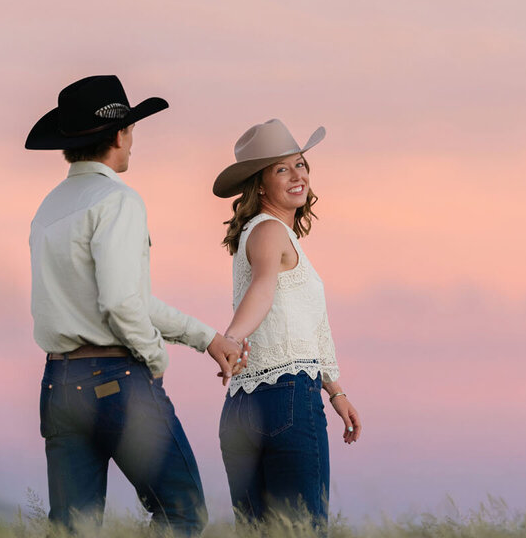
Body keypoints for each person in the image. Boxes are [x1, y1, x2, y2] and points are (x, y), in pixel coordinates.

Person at [25, 74, 247, 533]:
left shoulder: (48, 207)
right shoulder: (117, 200)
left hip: (58, 384)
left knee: (73, 529)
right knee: (182, 512)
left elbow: (128, 299)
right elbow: (122, 302)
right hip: (116, 379)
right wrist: (154, 356)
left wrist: (206, 338)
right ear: (119, 136)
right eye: (131, 130)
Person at [212, 119, 362, 530]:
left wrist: (335, 390)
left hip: (243, 405)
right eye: (282, 169)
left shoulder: (264, 232)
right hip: (287, 398)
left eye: (300, 165)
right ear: (260, 186)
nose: (298, 176)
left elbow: (300, 321)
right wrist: (230, 338)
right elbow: (263, 288)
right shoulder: (270, 231)